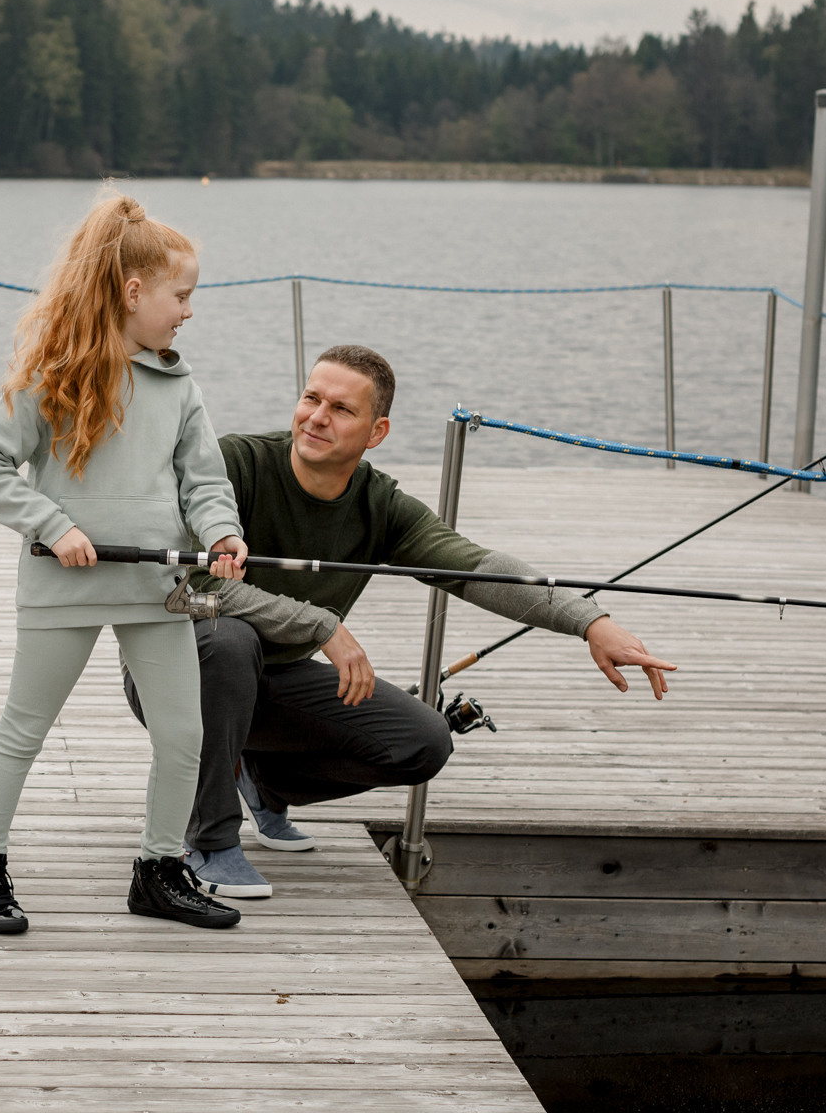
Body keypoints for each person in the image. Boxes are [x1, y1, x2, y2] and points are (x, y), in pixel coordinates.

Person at [126, 344, 676, 899]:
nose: (317, 417)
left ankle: (265, 781)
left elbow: (477, 566)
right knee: (229, 638)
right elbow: (186, 591)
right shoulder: (235, 464)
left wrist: (589, 622)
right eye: (311, 397)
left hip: (273, 680)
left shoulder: (379, 505)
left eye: (341, 409)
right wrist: (320, 625)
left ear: (377, 431)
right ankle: (211, 839)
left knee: (423, 742)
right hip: (177, 671)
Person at [0, 188, 251, 936]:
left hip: (155, 590)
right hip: (67, 586)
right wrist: (53, 526)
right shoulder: (50, 374)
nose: (188, 310)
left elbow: (206, 482)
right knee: (24, 728)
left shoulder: (179, 385)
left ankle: (159, 870)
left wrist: (222, 534)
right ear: (133, 290)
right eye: (181, 296)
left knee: (184, 734)